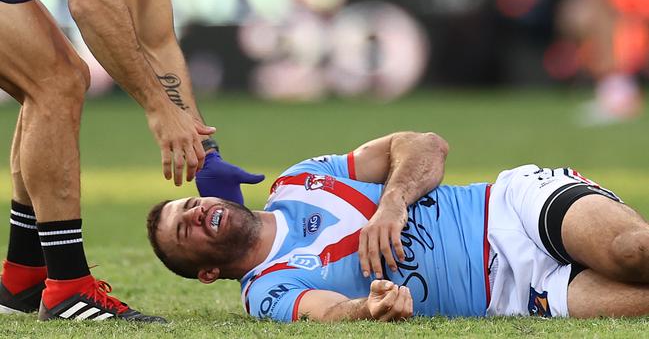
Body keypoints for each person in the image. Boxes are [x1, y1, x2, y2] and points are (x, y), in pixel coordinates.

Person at [0, 0, 275, 322]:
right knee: (58, 81)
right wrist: (155, 106)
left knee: (56, 81)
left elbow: (157, 39)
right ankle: (67, 287)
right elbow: (90, 2)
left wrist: (204, 150)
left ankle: (24, 277)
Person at [148, 131, 649, 322]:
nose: (192, 214)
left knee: (632, 252)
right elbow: (331, 313)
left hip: (512, 209)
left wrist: (392, 202)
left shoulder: (300, 180)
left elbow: (425, 144)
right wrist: (371, 307)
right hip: (519, 296)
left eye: (187, 204)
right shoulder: (265, 291)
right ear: (208, 272)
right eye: (183, 232)